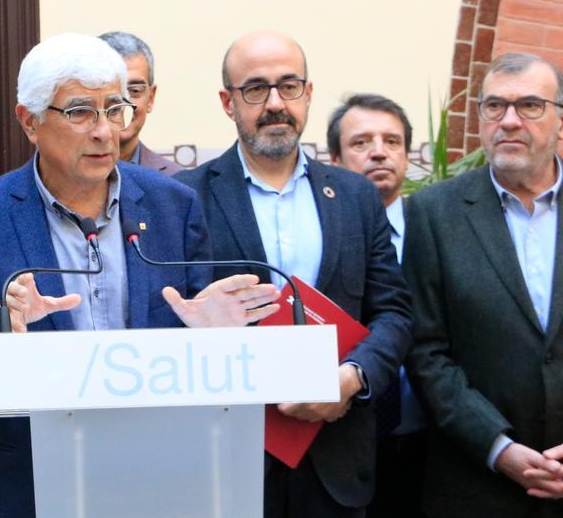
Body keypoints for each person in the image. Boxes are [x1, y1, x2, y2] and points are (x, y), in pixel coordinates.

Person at [0, 33, 281, 517]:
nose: (105, 131)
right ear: (30, 122)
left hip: (161, 481)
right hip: (30, 487)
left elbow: (204, 376)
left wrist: (210, 336)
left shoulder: (172, 206)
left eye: (115, 109)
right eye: (81, 111)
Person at [175, 30, 412, 517]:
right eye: (255, 89)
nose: (275, 103)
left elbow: (393, 312)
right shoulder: (185, 197)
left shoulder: (355, 196)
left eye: (289, 86)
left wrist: (350, 378)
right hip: (230, 454)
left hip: (336, 453)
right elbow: (169, 317)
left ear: (308, 93)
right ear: (228, 102)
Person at [405, 52, 563, 516]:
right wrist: (499, 448)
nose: (510, 121)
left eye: (530, 106)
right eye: (495, 107)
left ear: (559, 120)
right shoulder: (434, 213)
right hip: (476, 485)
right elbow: (425, 350)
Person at [327, 93, 427, 517]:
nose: (379, 152)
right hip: (341, 435)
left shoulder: (437, 229)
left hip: (429, 442)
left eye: (392, 141)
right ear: (334, 159)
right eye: (362, 142)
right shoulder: (324, 238)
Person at [99, 31, 182, 175]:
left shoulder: (175, 182)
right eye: (111, 90)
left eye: (134, 90)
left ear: (151, 98)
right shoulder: (59, 177)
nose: (123, 105)